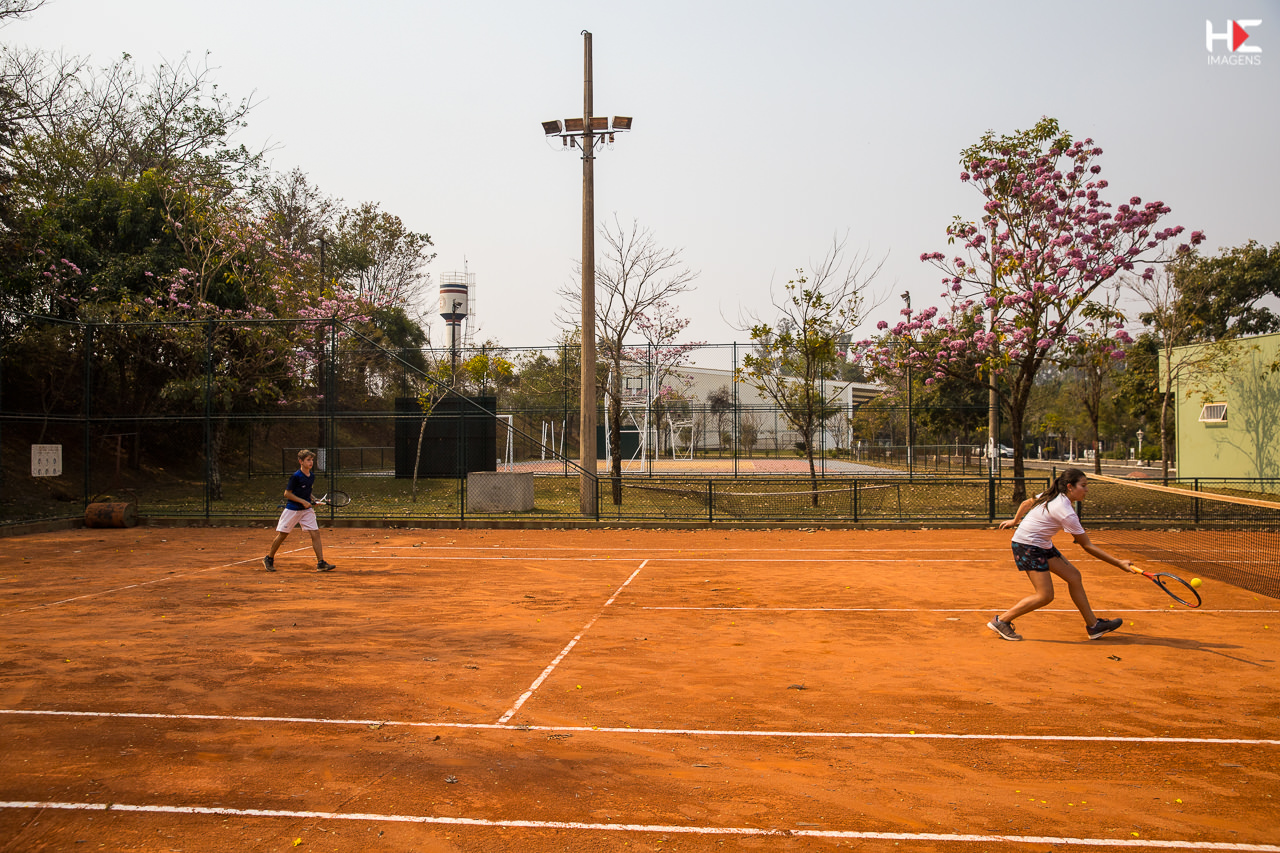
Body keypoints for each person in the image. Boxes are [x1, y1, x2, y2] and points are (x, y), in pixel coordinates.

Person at [988, 467, 1129, 641]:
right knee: (1045, 596)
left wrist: (1015, 521)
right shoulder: (1066, 512)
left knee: (1074, 577)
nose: (1086, 490)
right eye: (1083, 485)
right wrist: (1118, 563)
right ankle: (1001, 621)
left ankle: (1093, 626)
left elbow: (1026, 503)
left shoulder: (1054, 495)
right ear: (1070, 487)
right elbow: (1087, 545)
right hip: (1027, 545)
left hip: (1042, 544)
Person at [263, 449, 336, 572]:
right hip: (293, 510)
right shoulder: (296, 476)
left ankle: (321, 563)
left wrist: (313, 499)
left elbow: (307, 491)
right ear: (301, 462)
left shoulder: (311, 476)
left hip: (306, 511)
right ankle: (269, 558)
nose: (311, 462)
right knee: (283, 535)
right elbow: (287, 494)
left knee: (315, 533)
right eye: (308, 460)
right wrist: (303, 501)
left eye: (312, 460)